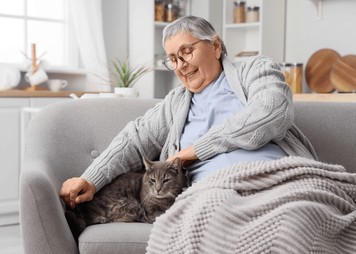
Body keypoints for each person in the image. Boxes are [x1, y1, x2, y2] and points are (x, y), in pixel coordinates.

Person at [60, 15, 317, 209]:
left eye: (186, 52)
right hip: (212, 196)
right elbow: (134, 139)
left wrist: (193, 152)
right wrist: (91, 179)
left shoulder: (254, 70)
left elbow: (273, 112)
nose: (181, 65)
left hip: (279, 179)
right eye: (173, 59)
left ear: (216, 46)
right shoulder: (175, 103)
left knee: (300, 214)